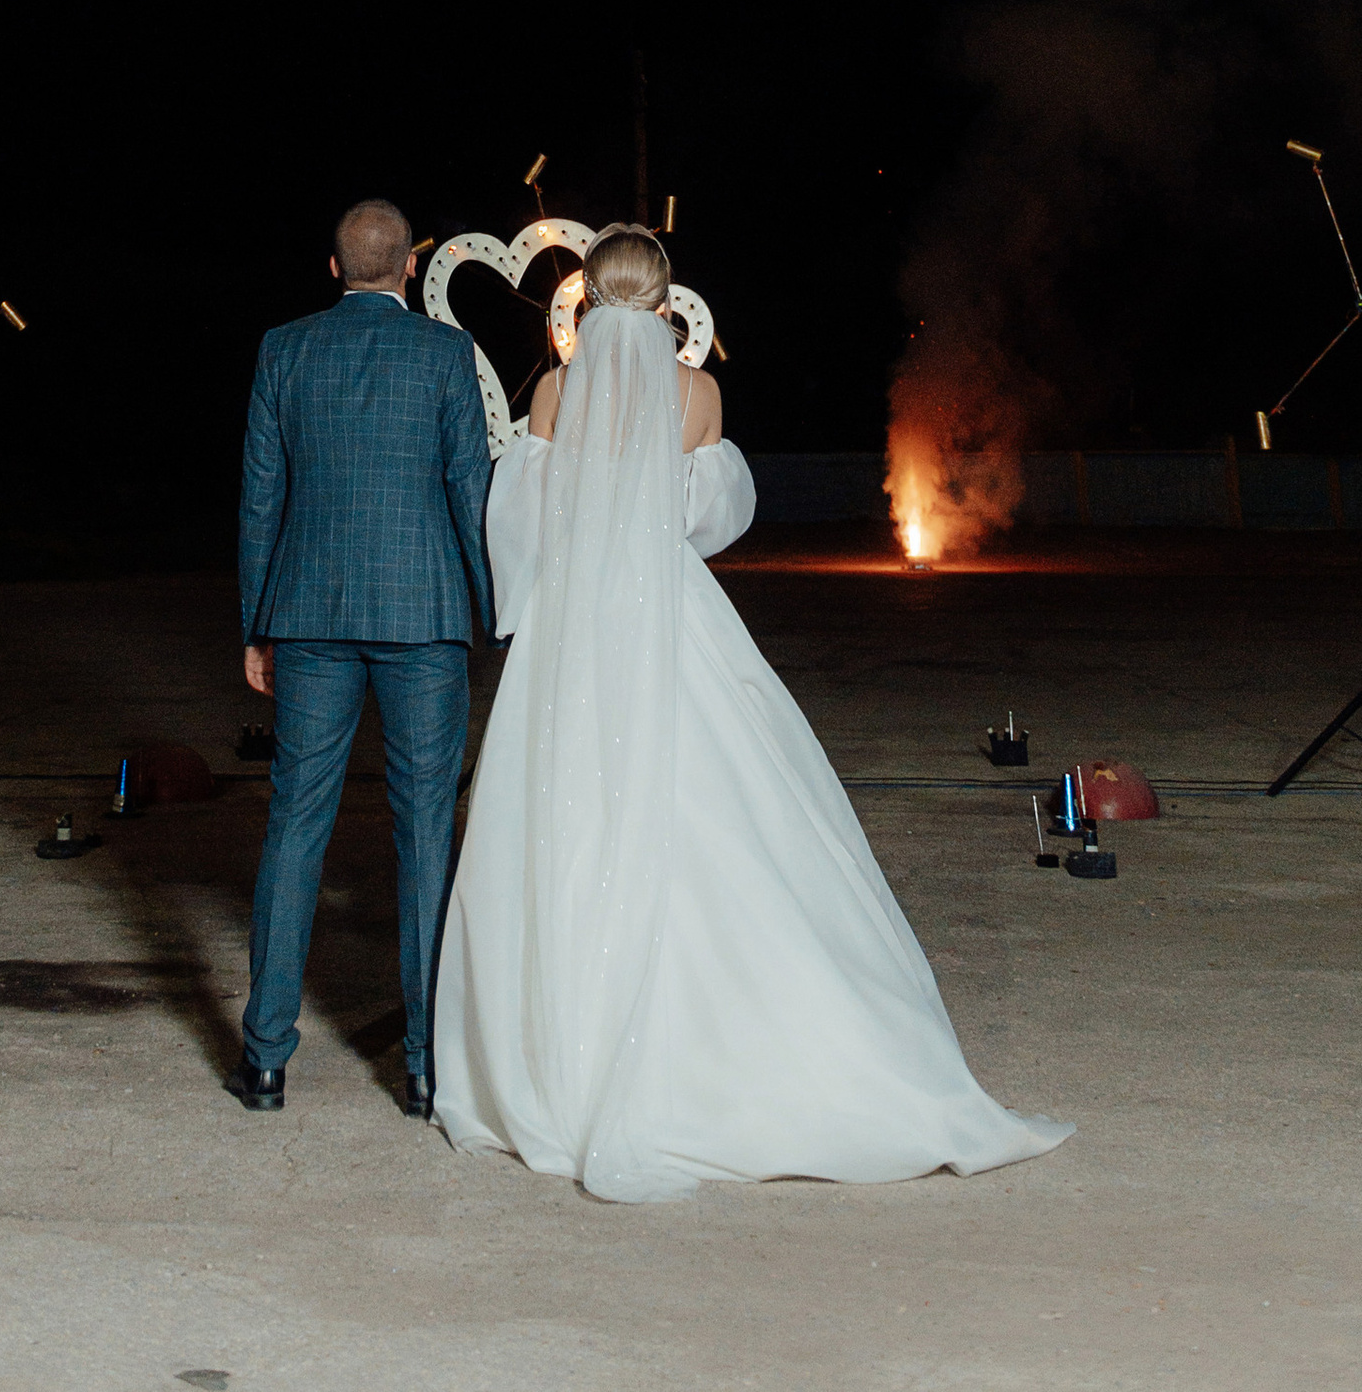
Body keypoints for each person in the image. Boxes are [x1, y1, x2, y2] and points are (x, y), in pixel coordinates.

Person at [432, 223, 1072, 1203]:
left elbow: (515, 514)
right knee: (723, 805)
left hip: (574, 628)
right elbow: (714, 518)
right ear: (662, 299)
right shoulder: (695, 392)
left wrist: (526, 600)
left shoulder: (554, 393)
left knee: (563, 812)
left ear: (589, 295)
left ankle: (556, 1055)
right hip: (666, 611)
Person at [232, 195, 493, 1119]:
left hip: (307, 615)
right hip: (423, 614)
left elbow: (262, 495)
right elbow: (471, 490)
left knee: (295, 822)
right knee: (425, 831)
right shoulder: (444, 353)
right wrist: (486, 614)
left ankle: (266, 1061)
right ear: (411, 267)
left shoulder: (284, 347)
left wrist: (257, 624)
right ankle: (425, 1070)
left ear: (333, 267)